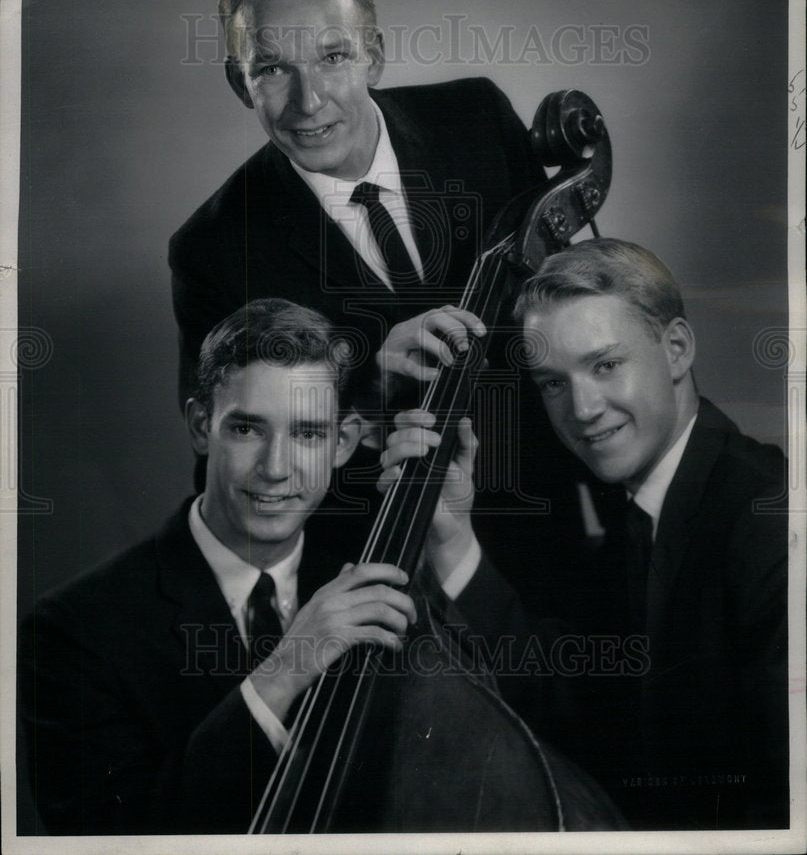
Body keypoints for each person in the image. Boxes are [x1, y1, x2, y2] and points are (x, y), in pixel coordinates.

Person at [18, 298, 533, 835]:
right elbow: (106, 839)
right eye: (247, 429)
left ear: (344, 442)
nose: (276, 469)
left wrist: (452, 540)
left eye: (308, 434)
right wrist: (284, 669)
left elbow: (528, 719)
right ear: (200, 426)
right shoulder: (71, 630)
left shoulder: (379, 573)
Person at [382, 238, 789, 830]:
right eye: (552, 382)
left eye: (606, 365)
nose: (582, 408)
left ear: (675, 349)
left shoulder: (768, 521)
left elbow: (784, 805)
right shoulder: (641, 513)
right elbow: (580, 703)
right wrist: (453, 539)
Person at [168, 0, 545, 408]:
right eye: (272, 70)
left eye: (333, 57)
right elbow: (232, 449)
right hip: (380, 482)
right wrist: (370, 387)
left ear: (375, 58)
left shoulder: (477, 116)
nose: (308, 102)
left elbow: (569, 297)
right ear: (239, 84)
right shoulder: (210, 250)